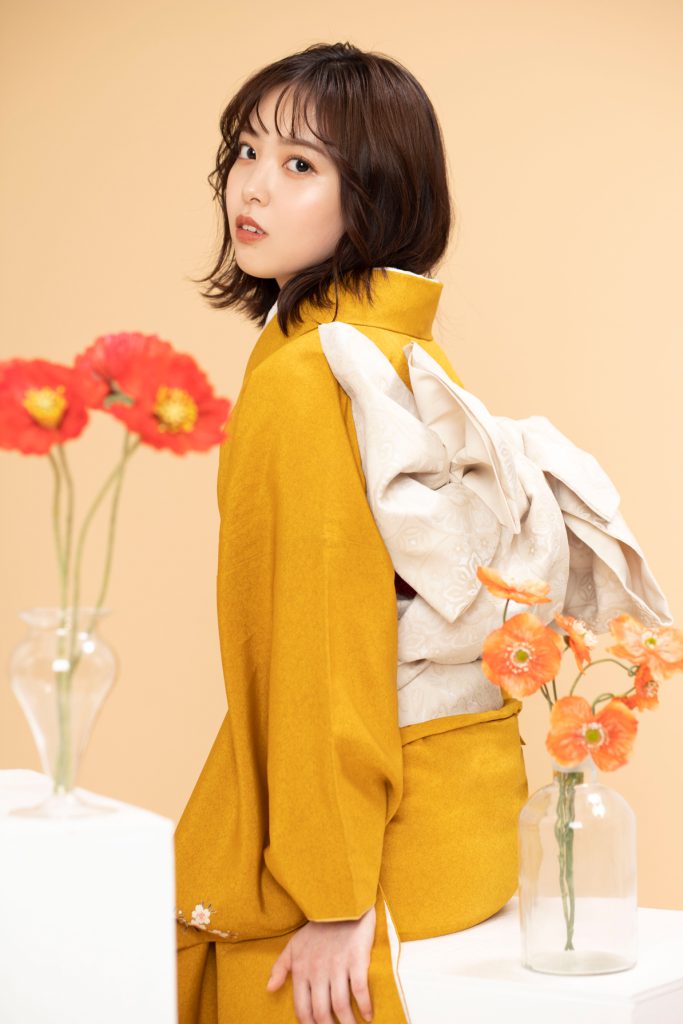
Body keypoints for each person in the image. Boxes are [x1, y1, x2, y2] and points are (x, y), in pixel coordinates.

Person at [175, 41, 531, 1024]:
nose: (252, 186)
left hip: (362, 876)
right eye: (245, 152)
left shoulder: (306, 377)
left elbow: (325, 643)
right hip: (462, 829)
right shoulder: (404, 348)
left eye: (300, 164)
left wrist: (332, 893)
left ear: (373, 192)